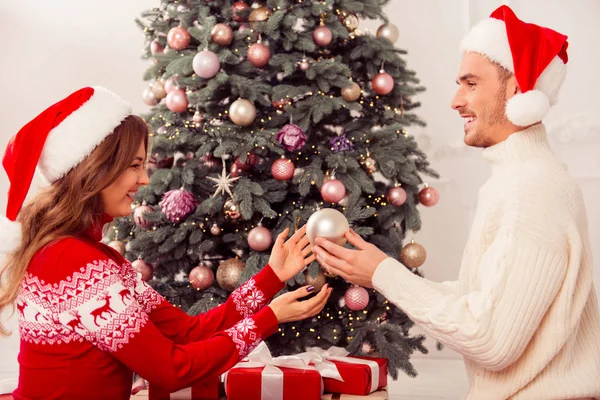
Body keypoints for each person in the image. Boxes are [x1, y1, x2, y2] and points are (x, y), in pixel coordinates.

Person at [313, 5, 600, 399]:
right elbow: (480, 303)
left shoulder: (532, 189)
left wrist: (383, 273)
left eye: (470, 84)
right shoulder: (516, 179)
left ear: (516, 88)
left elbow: (491, 340)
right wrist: (380, 270)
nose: (455, 100)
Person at [0, 86, 332, 400]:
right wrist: (267, 318)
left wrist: (271, 276)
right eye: (134, 166)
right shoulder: (71, 260)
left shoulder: (93, 256)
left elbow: (188, 332)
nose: (144, 179)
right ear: (96, 171)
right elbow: (170, 369)